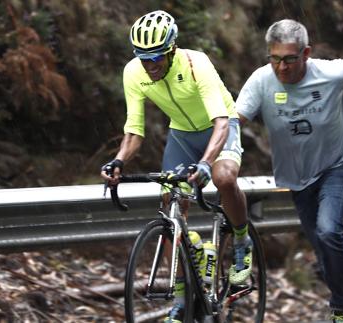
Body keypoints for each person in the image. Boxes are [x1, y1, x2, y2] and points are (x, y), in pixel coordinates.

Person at [236, 19, 343, 323]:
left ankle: (341, 308)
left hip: (340, 163)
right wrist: (218, 152)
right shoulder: (261, 80)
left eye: (289, 59)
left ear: (306, 53)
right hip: (298, 177)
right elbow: (234, 119)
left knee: (328, 230)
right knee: (326, 254)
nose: (281, 67)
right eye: (275, 58)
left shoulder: (328, 71)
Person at [100, 10, 252, 323]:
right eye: (144, 58)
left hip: (220, 126)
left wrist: (207, 163)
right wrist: (118, 161)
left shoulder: (196, 63)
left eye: (156, 57)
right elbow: (134, 131)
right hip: (182, 133)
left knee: (224, 178)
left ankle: (241, 240)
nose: (150, 65)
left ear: (171, 50)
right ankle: (181, 303)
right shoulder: (134, 73)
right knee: (171, 209)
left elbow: (221, 122)